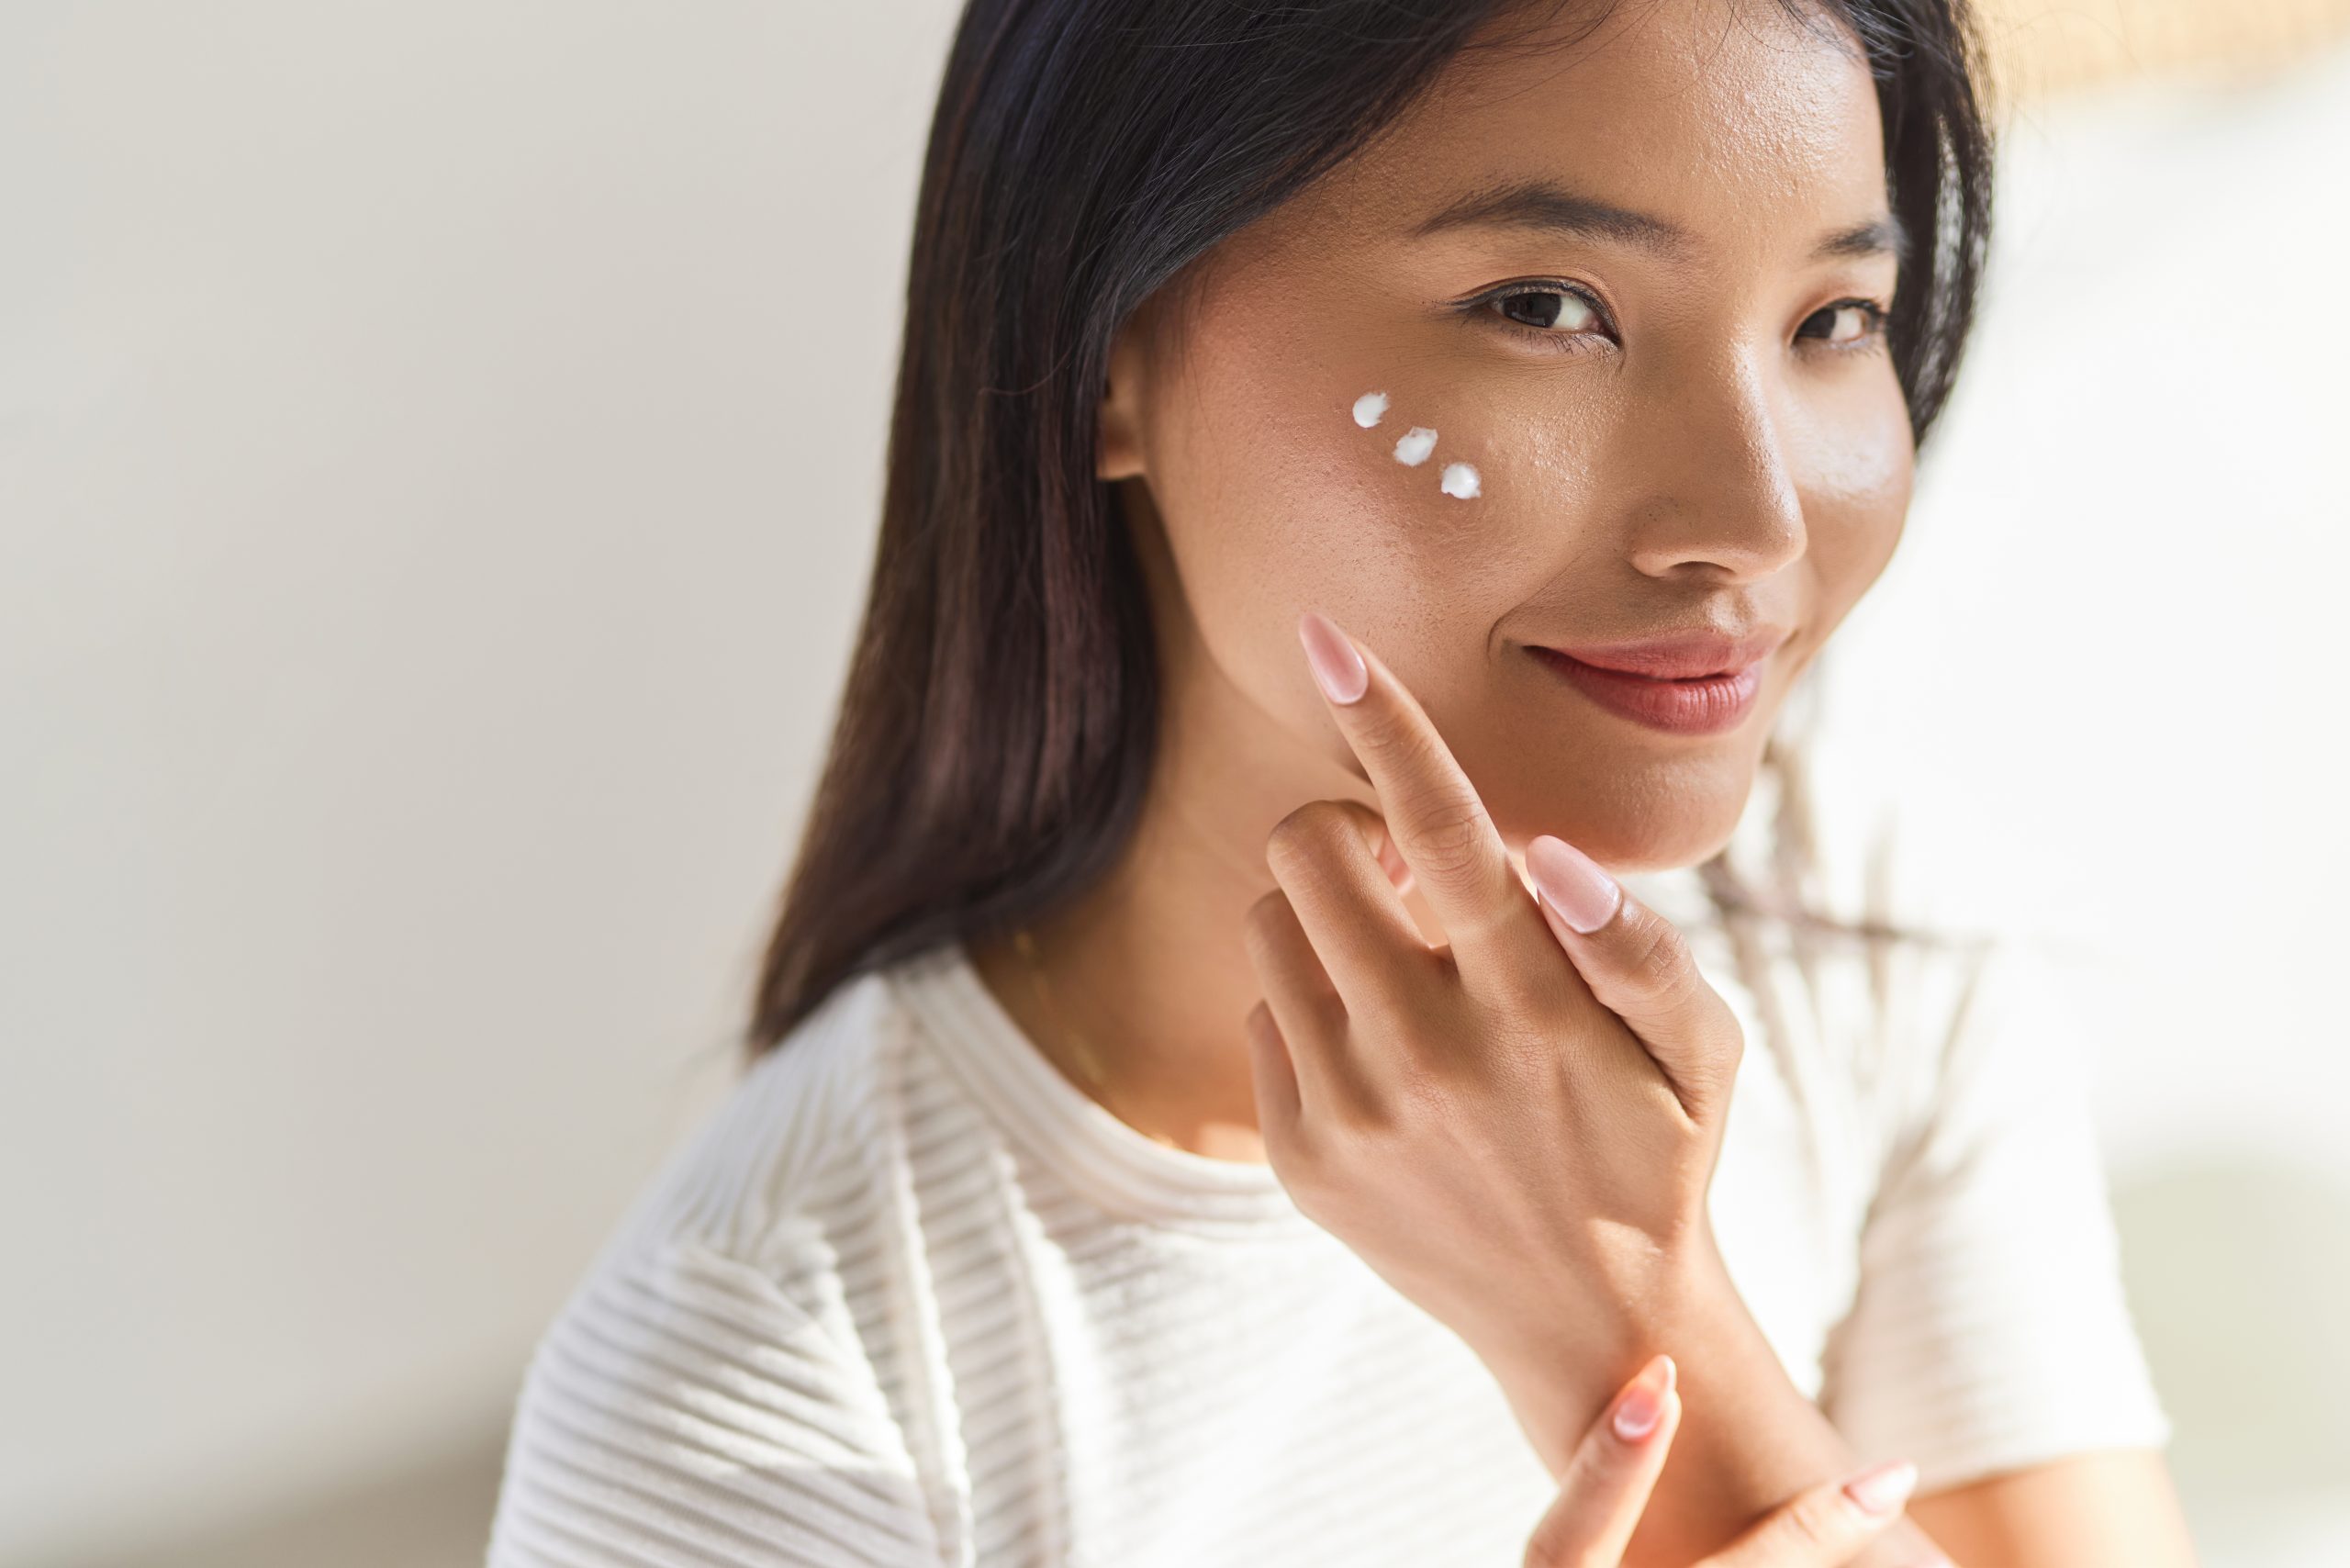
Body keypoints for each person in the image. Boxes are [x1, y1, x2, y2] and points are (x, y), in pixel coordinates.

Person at [484, 0, 2198, 1563]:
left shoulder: (1852, 939)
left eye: (1836, 317)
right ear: (1105, 349)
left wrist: (1623, 1311)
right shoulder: (771, 1375)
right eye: (1548, 309)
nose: (1749, 523)